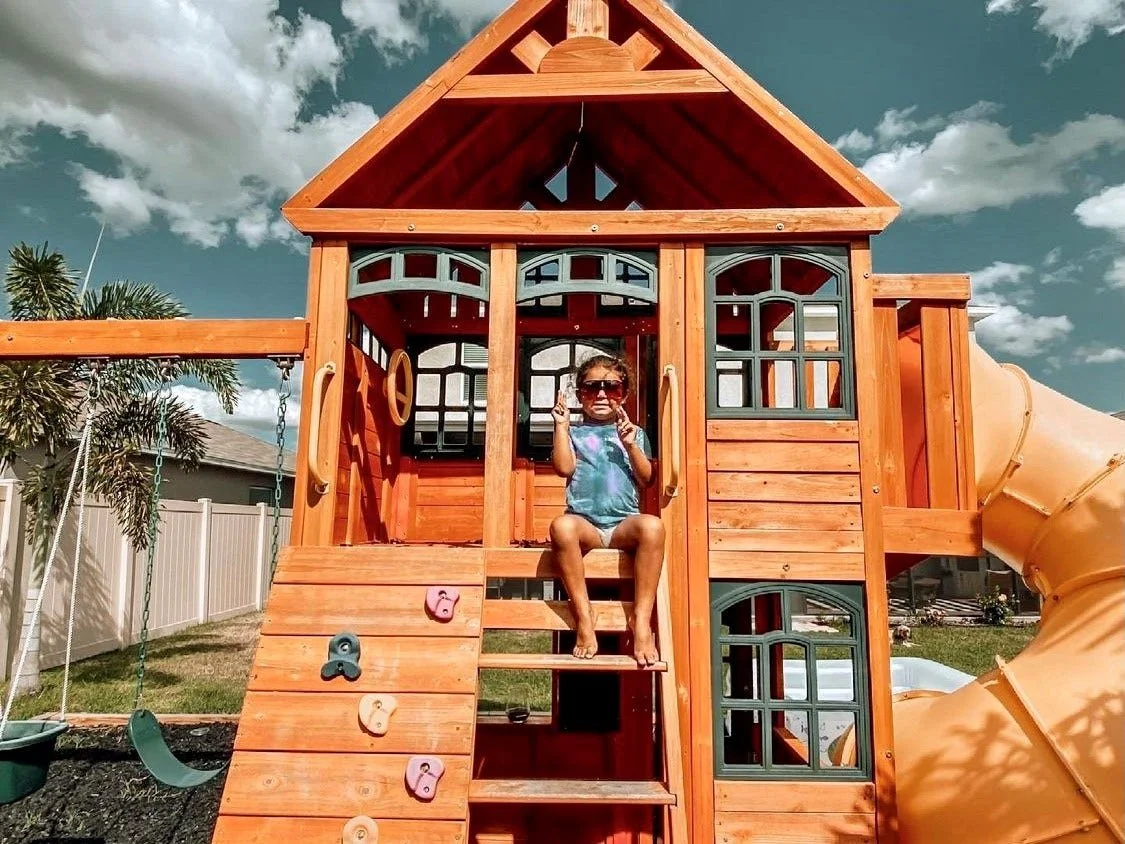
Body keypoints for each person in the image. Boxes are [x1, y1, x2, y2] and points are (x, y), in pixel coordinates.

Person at [549, 353, 665, 667]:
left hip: (621, 525)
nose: (601, 395)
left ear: (623, 394)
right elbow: (563, 467)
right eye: (591, 388)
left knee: (653, 526)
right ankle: (584, 617)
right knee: (561, 527)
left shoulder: (634, 433)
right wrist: (560, 426)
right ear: (579, 395)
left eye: (611, 388)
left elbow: (647, 478)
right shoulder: (574, 433)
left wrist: (630, 445)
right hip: (586, 524)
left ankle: (641, 621)